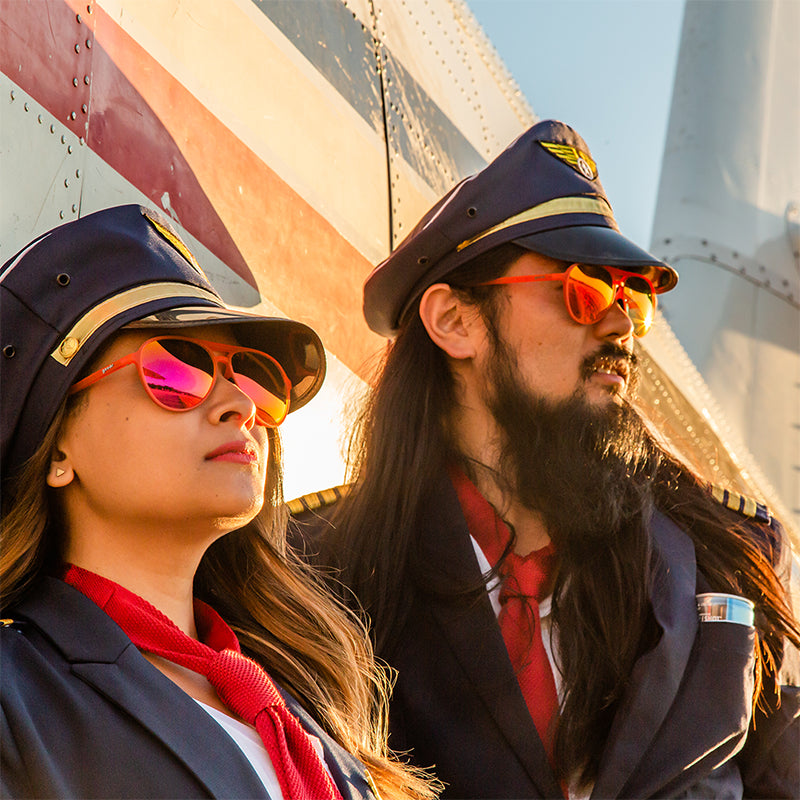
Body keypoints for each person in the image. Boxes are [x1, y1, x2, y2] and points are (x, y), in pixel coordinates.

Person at [290, 121, 800, 799]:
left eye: (633, 298)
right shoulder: (315, 577)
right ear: (456, 322)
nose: (619, 323)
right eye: (584, 288)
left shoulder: (729, 557)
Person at [0, 204, 436, 800]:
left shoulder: (304, 712)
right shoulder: (15, 698)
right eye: (176, 370)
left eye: (251, 377)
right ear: (56, 450)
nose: (240, 404)